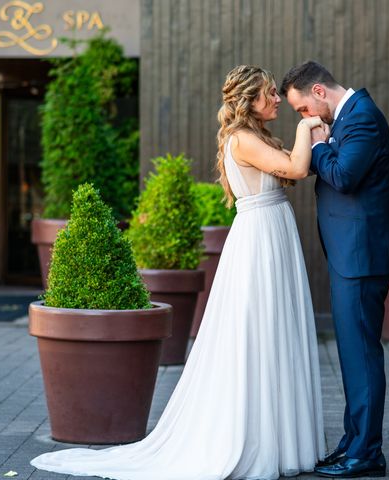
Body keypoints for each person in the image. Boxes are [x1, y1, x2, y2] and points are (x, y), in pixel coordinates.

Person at [30, 65, 326, 480]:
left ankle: (280, 437)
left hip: (273, 232)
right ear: (248, 101)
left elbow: (294, 168)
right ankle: (256, 437)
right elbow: (296, 169)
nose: (277, 99)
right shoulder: (241, 138)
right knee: (257, 329)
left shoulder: (255, 136)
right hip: (259, 239)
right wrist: (308, 125)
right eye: (270, 93)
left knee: (275, 329)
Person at [281, 61, 389, 478]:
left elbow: (344, 176)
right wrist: (317, 145)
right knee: (352, 355)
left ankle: (367, 453)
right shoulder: (347, 118)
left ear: (318, 92)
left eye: (301, 110)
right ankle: (354, 441)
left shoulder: (362, 118)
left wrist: (316, 146)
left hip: (362, 256)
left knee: (361, 355)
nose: (305, 118)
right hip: (350, 255)